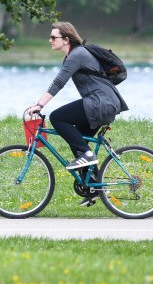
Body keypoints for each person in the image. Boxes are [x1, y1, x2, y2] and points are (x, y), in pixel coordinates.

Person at [26, 21, 128, 206]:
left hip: (100, 103)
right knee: (79, 142)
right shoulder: (75, 55)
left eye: (53, 37)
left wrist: (39, 105)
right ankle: (94, 188)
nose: (50, 40)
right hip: (103, 103)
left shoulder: (77, 54)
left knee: (57, 117)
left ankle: (88, 158)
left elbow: (59, 82)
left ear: (66, 39)